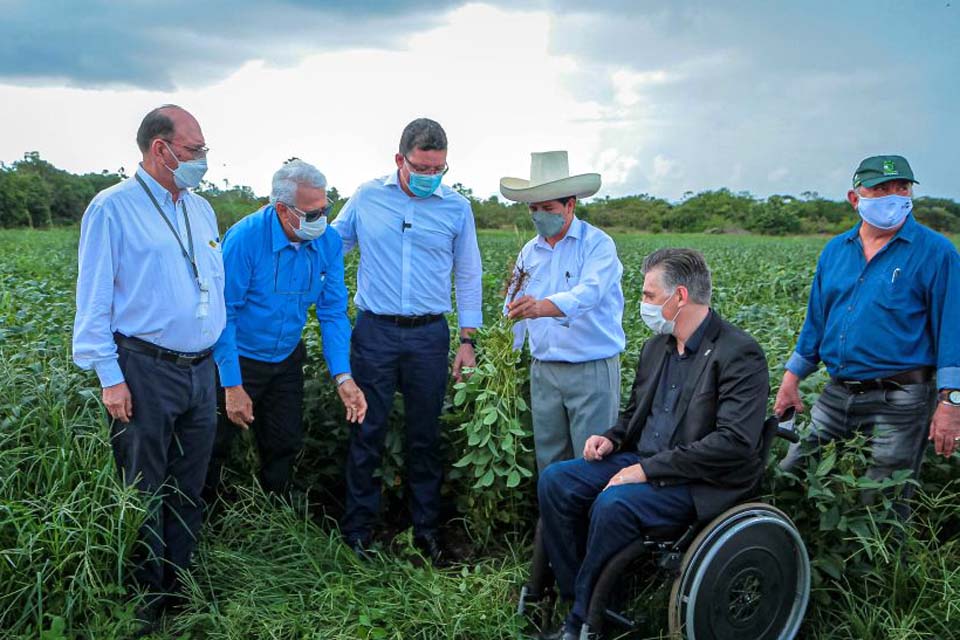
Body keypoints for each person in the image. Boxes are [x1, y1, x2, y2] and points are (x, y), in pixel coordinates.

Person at [537, 248, 769, 640]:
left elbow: (733, 443)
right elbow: (633, 416)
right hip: (643, 458)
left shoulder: (738, 353)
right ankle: (582, 596)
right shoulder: (656, 347)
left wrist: (645, 471)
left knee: (614, 504)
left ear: (679, 296)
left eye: (648, 295)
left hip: (695, 480)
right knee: (556, 481)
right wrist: (610, 439)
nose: (642, 304)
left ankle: (583, 623)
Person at [72, 105, 225, 631]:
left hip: (200, 370)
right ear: (160, 150)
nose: (202, 160)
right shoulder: (112, 208)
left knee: (189, 483)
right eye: (194, 151)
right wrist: (109, 378)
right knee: (143, 484)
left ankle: (179, 584)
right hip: (144, 369)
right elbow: (92, 301)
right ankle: (144, 601)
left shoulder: (200, 210)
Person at [330, 118, 482, 563]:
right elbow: (332, 246)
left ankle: (427, 532)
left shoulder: (456, 208)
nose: (429, 176)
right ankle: (358, 531)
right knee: (366, 431)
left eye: (438, 168)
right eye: (421, 166)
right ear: (400, 160)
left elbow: (469, 273)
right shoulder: (366, 197)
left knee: (424, 435)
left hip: (428, 336)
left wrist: (467, 339)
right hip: (374, 330)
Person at [777, 155, 960, 510]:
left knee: (881, 500)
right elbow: (816, 320)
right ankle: (792, 547)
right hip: (837, 392)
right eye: (881, 188)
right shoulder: (835, 251)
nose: (894, 196)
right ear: (855, 197)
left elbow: (953, 332)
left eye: (902, 187)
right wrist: (791, 377)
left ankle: (876, 563)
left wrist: (951, 403)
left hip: (902, 398)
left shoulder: (936, 252)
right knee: (792, 472)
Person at [205, 159, 367, 500]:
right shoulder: (245, 239)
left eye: (325, 209)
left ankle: (275, 515)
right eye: (311, 214)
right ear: (282, 209)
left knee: (284, 442)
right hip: (239, 356)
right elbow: (224, 314)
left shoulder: (328, 242)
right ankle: (206, 523)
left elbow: (333, 312)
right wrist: (232, 384)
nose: (320, 220)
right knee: (214, 444)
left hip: (286, 357)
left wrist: (343, 376)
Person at [500, 150, 625, 471]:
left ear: (570, 205)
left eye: (548, 208)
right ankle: (554, 521)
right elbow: (514, 307)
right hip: (544, 370)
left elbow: (589, 293)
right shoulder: (530, 251)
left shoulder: (597, 245)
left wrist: (542, 307)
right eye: (534, 209)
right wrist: (507, 353)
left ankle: (591, 522)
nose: (540, 215)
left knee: (592, 459)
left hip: (591, 369)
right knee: (549, 459)